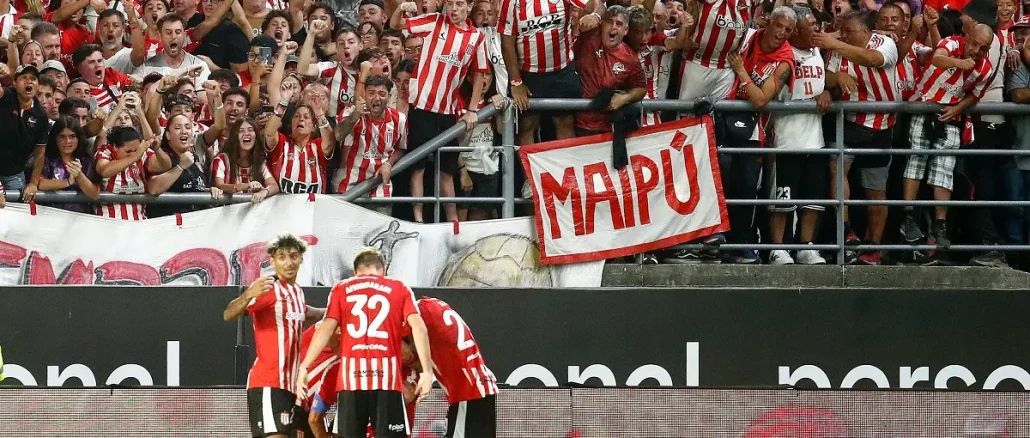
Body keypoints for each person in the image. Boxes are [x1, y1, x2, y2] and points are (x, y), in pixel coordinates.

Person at [296, 247, 434, 438]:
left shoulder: (341, 288)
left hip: (351, 380)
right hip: (386, 380)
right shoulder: (399, 288)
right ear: (383, 270)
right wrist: (427, 371)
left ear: (355, 272)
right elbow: (419, 327)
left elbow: (326, 328)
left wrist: (304, 366)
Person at [901, 24, 994, 263]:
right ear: (967, 37)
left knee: (944, 170)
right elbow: (937, 58)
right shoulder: (952, 43)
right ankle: (908, 217)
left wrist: (957, 109)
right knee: (916, 161)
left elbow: (975, 95)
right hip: (923, 106)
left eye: (983, 48)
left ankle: (940, 225)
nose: (976, 51)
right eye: (974, 44)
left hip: (950, 115)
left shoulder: (986, 68)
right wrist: (960, 63)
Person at [392, 0, 489, 224]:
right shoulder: (435, 21)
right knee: (417, 167)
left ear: (469, 6)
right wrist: (400, 9)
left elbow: (480, 72)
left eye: (459, 4)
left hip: (447, 111)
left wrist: (472, 109)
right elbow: (396, 25)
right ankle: (418, 220)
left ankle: (453, 221)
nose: (453, 9)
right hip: (421, 107)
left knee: (446, 170)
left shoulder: (477, 37)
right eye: (450, 3)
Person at [815, 10, 899, 265]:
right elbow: (825, 77)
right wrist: (836, 78)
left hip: (880, 126)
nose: (843, 35)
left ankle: (873, 247)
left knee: (876, 191)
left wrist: (834, 43)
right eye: (842, 31)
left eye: (848, 31)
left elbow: (872, 59)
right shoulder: (838, 49)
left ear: (865, 31)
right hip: (848, 122)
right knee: (837, 167)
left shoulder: (885, 43)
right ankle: (846, 231)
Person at [222, 233, 325, 438]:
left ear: (301, 258)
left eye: (293, 256)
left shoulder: (297, 292)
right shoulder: (268, 289)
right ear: (272, 261)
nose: (288, 263)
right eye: (282, 257)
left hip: (291, 387)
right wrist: (248, 294)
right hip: (268, 383)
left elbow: (308, 313)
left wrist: (337, 310)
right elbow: (228, 314)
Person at [769, 7, 828, 265]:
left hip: (815, 138)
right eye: (811, 25)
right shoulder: (782, 54)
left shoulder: (817, 50)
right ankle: (777, 248)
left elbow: (824, 81)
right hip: (786, 139)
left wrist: (829, 91)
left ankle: (806, 246)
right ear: (796, 31)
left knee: (813, 198)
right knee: (783, 198)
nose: (816, 29)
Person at [498, 0, 586, 145]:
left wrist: (595, 15)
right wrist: (516, 82)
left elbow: (595, 4)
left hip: (562, 70)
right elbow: (507, 42)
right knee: (526, 125)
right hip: (529, 75)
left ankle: (566, 160)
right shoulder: (510, 2)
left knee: (565, 122)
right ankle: (525, 161)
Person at [414, 297, 499, 437]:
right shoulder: (433, 305)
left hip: (467, 389)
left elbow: (406, 351)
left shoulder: (420, 313)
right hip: (480, 384)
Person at [265, 41, 336, 194]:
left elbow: (330, 142)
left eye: (321, 97)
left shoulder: (325, 133)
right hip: (282, 204)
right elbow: (269, 132)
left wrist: (318, 112)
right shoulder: (284, 135)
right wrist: (283, 55)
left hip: (315, 204)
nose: (301, 119)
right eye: (311, 96)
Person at [333, 74, 407, 214]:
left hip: (380, 190)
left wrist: (388, 163)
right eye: (371, 93)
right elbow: (338, 135)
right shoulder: (350, 112)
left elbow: (401, 148)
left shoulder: (399, 119)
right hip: (348, 188)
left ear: (389, 97)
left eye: (382, 94)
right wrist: (356, 115)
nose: (376, 98)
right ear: (364, 95)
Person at [574, 3, 646, 136]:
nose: (613, 27)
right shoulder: (589, 37)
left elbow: (641, 88)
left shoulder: (630, 58)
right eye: (609, 22)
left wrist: (625, 98)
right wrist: (595, 16)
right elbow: (595, 4)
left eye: (619, 24)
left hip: (607, 127)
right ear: (602, 24)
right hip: (574, 122)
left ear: (625, 30)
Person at [94, 126, 172, 220]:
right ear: (115, 147)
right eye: (128, 151)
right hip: (108, 221)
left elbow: (165, 166)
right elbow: (105, 171)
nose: (133, 153)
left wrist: (157, 149)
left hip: (139, 221)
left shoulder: (143, 152)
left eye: (136, 150)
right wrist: (136, 155)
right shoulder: (105, 152)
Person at [0, 64, 50, 202]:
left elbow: (40, 153)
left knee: (15, 214)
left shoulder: (41, 116)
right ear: (15, 83)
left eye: (33, 78)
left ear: (38, 85)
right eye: (24, 77)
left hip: (14, 175)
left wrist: (33, 183)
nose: (29, 81)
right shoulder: (5, 97)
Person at [297, 22, 362, 119]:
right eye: (341, 43)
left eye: (351, 42)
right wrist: (311, 34)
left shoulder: (369, 72)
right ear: (336, 49)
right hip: (330, 124)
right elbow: (303, 69)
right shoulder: (330, 68)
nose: (346, 46)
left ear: (360, 45)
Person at [38, 116, 101, 213]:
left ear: (79, 138)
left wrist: (80, 176)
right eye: (62, 136)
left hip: (81, 216)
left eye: (72, 136)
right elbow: (40, 183)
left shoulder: (86, 160)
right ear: (55, 138)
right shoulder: (46, 158)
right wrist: (68, 181)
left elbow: (95, 195)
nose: (67, 141)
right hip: (51, 215)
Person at [212, 118, 279, 202]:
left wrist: (265, 192)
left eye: (250, 130)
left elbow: (274, 186)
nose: (246, 134)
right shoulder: (221, 160)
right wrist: (245, 185)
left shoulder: (260, 161)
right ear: (235, 136)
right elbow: (220, 186)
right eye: (241, 131)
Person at [133, 14, 212, 85]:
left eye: (178, 32)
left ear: (184, 35)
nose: (174, 36)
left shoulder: (199, 66)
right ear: (160, 36)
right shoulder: (146, 69)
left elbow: (204, 95)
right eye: (168, 33)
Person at [73, 44, 135, 113]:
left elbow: (133, 90)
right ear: (80, 69)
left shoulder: (110, 74)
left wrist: (137, 83)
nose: (97, 65)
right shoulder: (81, 93)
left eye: (100, 61)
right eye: (91, 62)